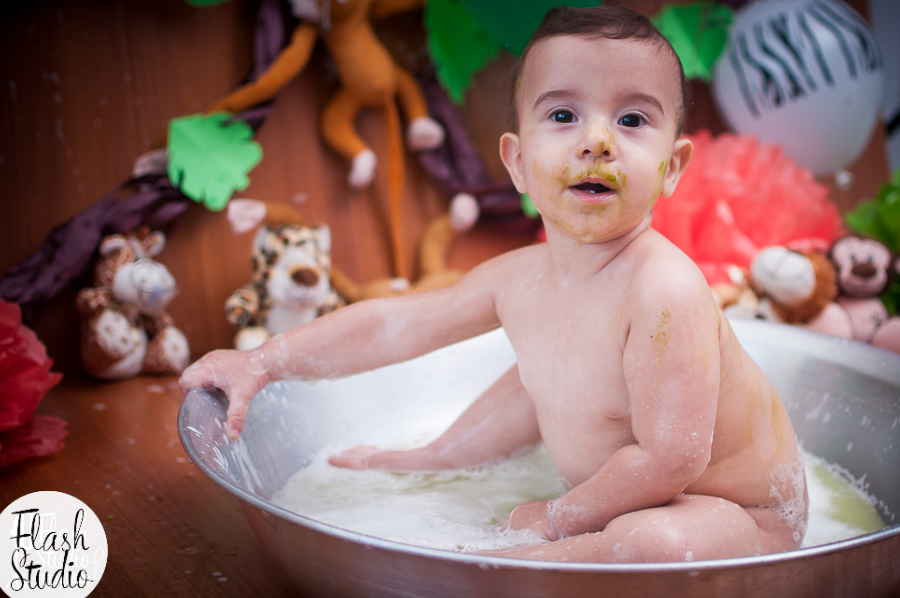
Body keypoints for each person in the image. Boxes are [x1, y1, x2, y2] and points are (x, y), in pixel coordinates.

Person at [180, 6, 808, 563]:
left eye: (632, 119)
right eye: (563, 115)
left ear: (671, 167)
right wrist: (263, 362)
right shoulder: (519, 279)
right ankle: (445, 458)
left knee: (658, 544)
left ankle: (518, 569)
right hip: (626, 491)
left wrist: (556, 519)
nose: (597, 142)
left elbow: (674, 460)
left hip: (733, 516)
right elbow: (396, 324)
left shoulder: (664, 291)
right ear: (517, 162)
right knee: (541, 365)